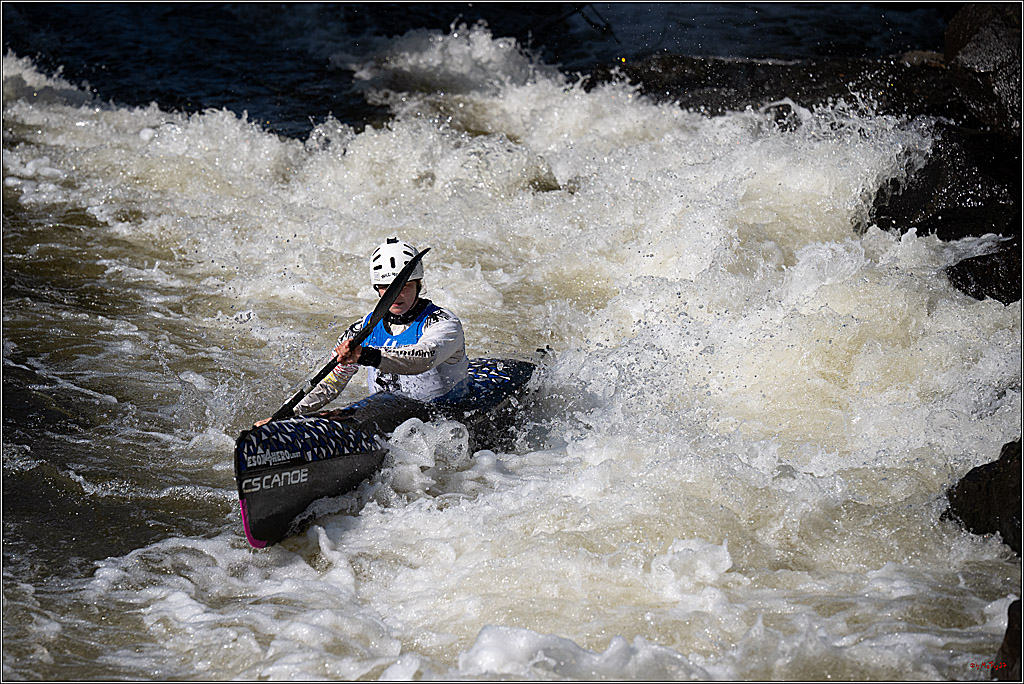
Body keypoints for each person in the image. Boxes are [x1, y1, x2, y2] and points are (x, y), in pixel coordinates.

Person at [287, 237, 468, 417]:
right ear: (377, 288)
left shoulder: (443, 323)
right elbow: (329, 384)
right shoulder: (363, 329)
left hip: (442, 417)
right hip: (384, 415)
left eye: (404, 286)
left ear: (419, 285)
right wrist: (288, 414)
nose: (396, 295)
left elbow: (425, 358)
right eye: (386, 287)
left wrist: (366, 355)